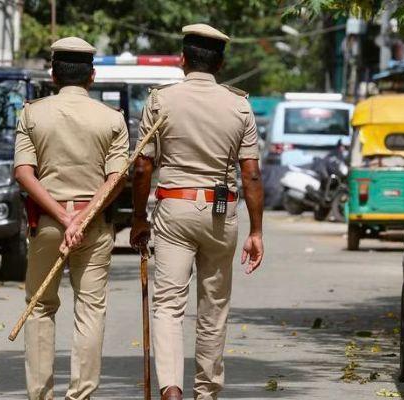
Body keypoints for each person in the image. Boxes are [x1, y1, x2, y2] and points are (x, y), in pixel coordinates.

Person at [130, 24, 265, 400]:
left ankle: (171, 389)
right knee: (213, 307)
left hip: (174, 208)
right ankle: (206, 393)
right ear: (221, 63)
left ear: (183, 60)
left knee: (168, 305)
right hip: (222, 215)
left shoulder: (161, 101)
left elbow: (142, 167)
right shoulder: (239, 105)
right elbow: (251, 174)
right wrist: (256, 232)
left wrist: (139, 218)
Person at [14, 36, 129, 400]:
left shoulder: (32, 113)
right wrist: (80, 217)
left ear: (53, 74)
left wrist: (64, 217)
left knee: (39, 307)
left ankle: (40, 395)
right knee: (90, 309)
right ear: (92, 77)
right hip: (92, 227)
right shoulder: (112, 120)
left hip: (48, 224)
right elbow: (117, 179)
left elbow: (24, 174)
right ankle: (80, 395)